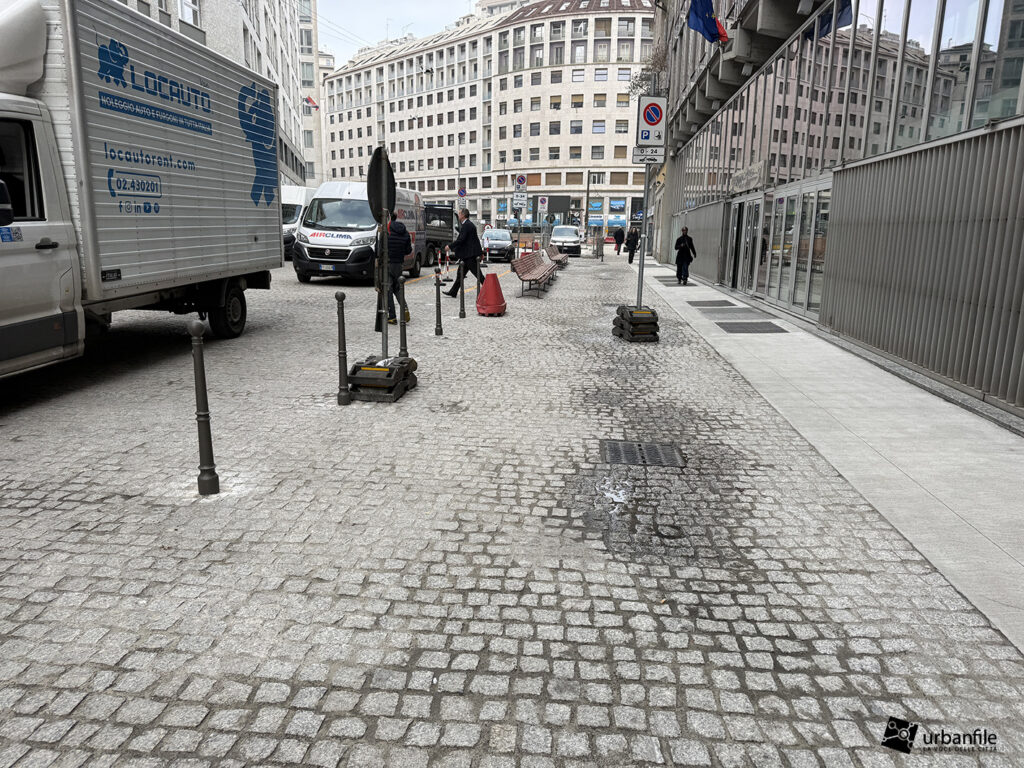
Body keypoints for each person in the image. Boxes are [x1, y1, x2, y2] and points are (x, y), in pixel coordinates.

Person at [444, 208, 485, 297]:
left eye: (459, 214)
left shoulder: (467, 225)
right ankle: (453, 292)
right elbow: (474, 240)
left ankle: (490, 289)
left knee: (478, 275)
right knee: (460, 274)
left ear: (463, 215)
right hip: (467, 255)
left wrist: (450, 246)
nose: (458, 215)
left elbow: (461, 240)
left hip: (470, 255)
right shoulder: (468, 224)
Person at [386, 213, 411, 324]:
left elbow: (380, 249)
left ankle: (392, 316)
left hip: (388, 263)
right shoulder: (405, 232)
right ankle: (404, 309)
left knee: (388, 290)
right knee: (397, 288)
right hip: (399, 264)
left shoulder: (387, 232)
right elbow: (408, 250)